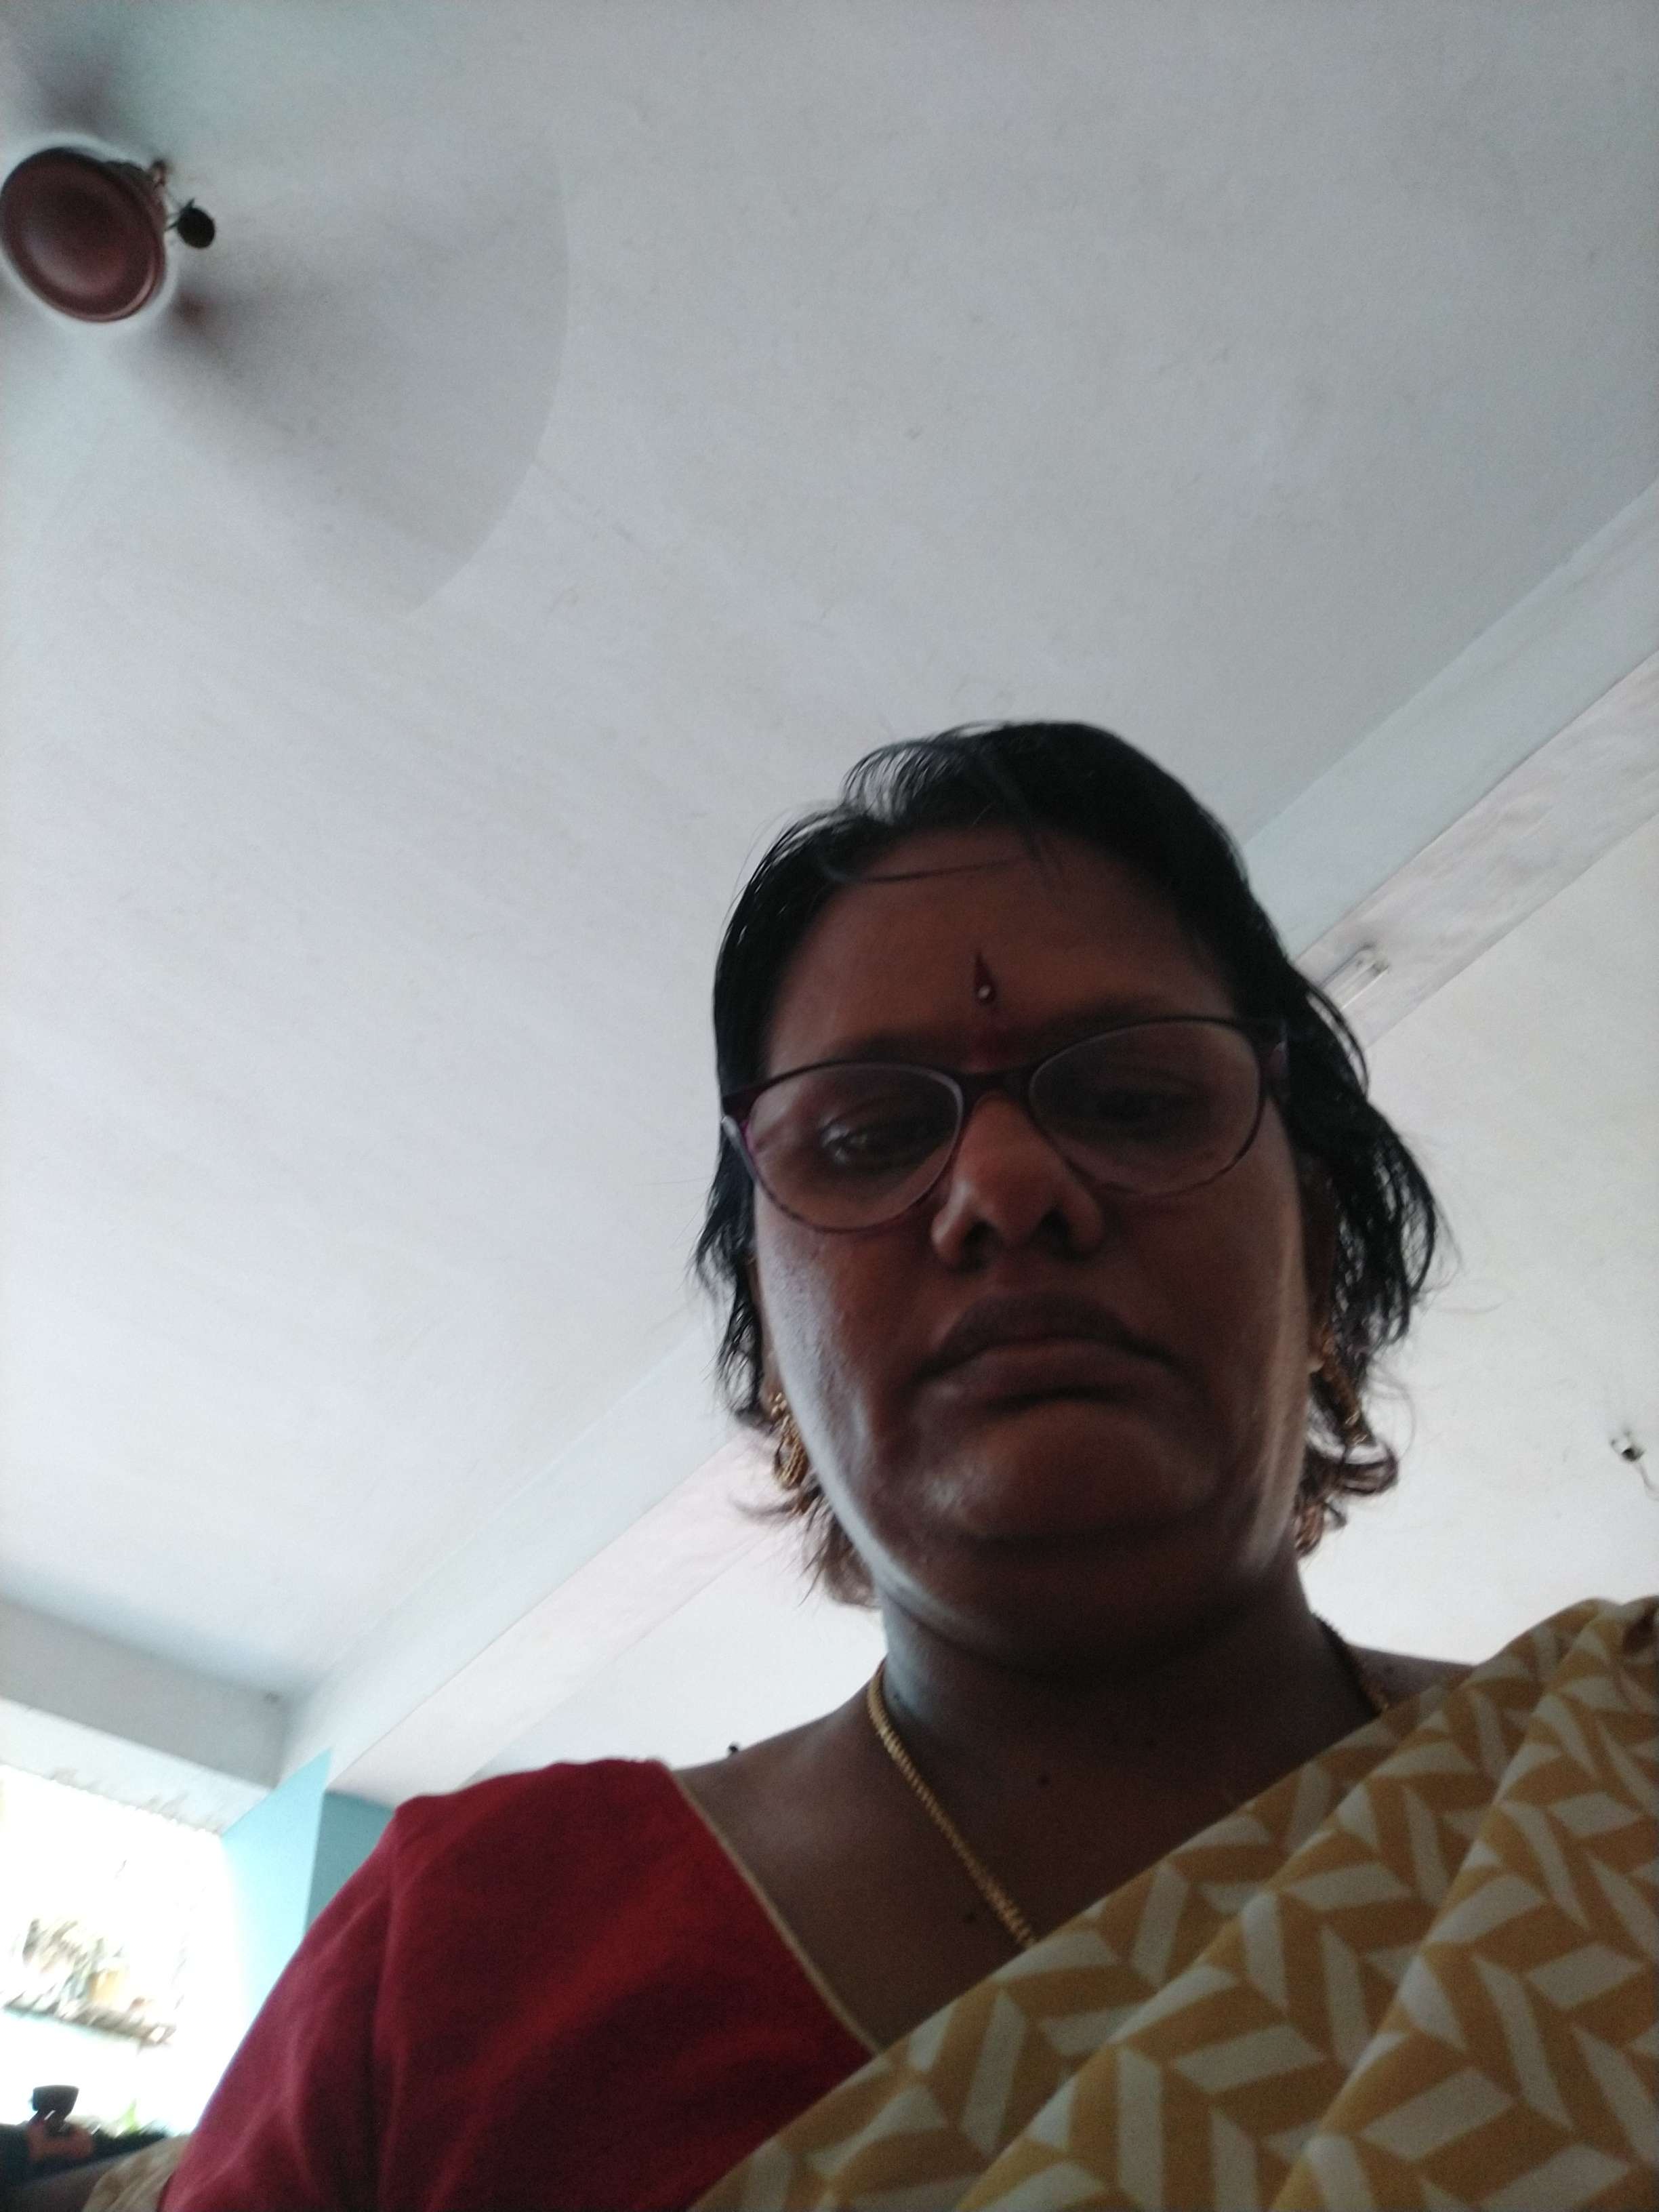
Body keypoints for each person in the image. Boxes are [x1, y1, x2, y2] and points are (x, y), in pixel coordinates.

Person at [165, 726, 1656, 2212]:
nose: (1005, 1188)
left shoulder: (1614, 1786)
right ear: (774, 1336)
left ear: (1318, 1243)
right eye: (870, 1137)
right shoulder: (469, 1950)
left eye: (1134, 1101)